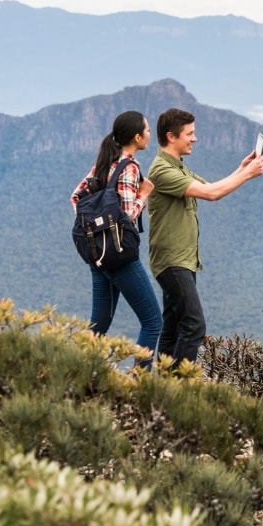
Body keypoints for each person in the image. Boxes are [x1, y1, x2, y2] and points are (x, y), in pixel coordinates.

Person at [147, 108, 263, 367]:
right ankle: (181, 383)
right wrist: (248, 174)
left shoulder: (177, 167)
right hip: (173, 261)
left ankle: (164, 384)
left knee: (174, 326)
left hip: (182, 260)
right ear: (171, 136)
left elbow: (210, 186)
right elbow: (211, 194)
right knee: (194, 325)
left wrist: (241, 169)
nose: (195, 138)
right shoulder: (161, 171)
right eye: (189, 134)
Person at [71, 110, 163, 370]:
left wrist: (95, 223)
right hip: (119, 257)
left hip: (97, 255)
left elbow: (76, 198)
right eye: (147, 130)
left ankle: (78, 373)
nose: (149, 134)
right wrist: (144, 195)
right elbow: (126, 215)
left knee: (99, 323)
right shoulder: (129, 167)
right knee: (153, 322)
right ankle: (139, 382)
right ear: (137, 137)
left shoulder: (104, 162)